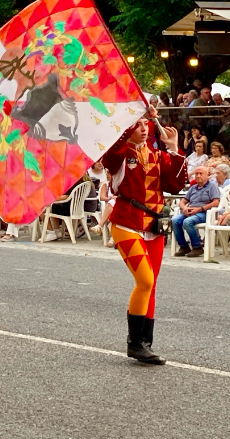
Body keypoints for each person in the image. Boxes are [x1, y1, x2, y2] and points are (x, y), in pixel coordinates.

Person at [100, 115, 184, 364]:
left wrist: (174, 149)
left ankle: (145, 344)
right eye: (136, 124)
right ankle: (135, 343)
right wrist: (126, 123)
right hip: (126, 223)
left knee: (151, 286)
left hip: (153, 226)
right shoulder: (120, 155)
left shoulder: (158, 155)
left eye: (145, 124)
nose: (143, 128)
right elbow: (110, 155)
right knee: (145, 281)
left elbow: (176, 185)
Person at [170, 166, 219, 258]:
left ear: (207, 175)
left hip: (205, 213)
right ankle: (184, 246)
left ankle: (197, 247)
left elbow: (216, 202)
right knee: (174, 220)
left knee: (187, 222)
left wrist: (199, 209)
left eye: (201, 174)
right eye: (196, 174)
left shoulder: (212, 186)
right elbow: (183, 201)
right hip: (190, 211)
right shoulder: (193, 188)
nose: (198, 176)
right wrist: (184, 208)